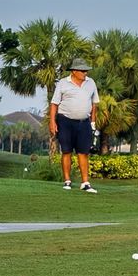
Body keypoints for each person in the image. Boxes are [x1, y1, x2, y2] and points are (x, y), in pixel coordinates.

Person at [47, 58, 99, 192]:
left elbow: (94, 104)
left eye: (86, 71)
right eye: (82, 71)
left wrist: (93, 123)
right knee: (67, 151)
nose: (85, 73)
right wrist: (52, 122)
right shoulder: (63, 83)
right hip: (65, 121)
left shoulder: (90, 83)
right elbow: (54, 104)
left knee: (83, 153)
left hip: (84, 123)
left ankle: (85, 183)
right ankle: (67, 181)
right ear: (74, 71)